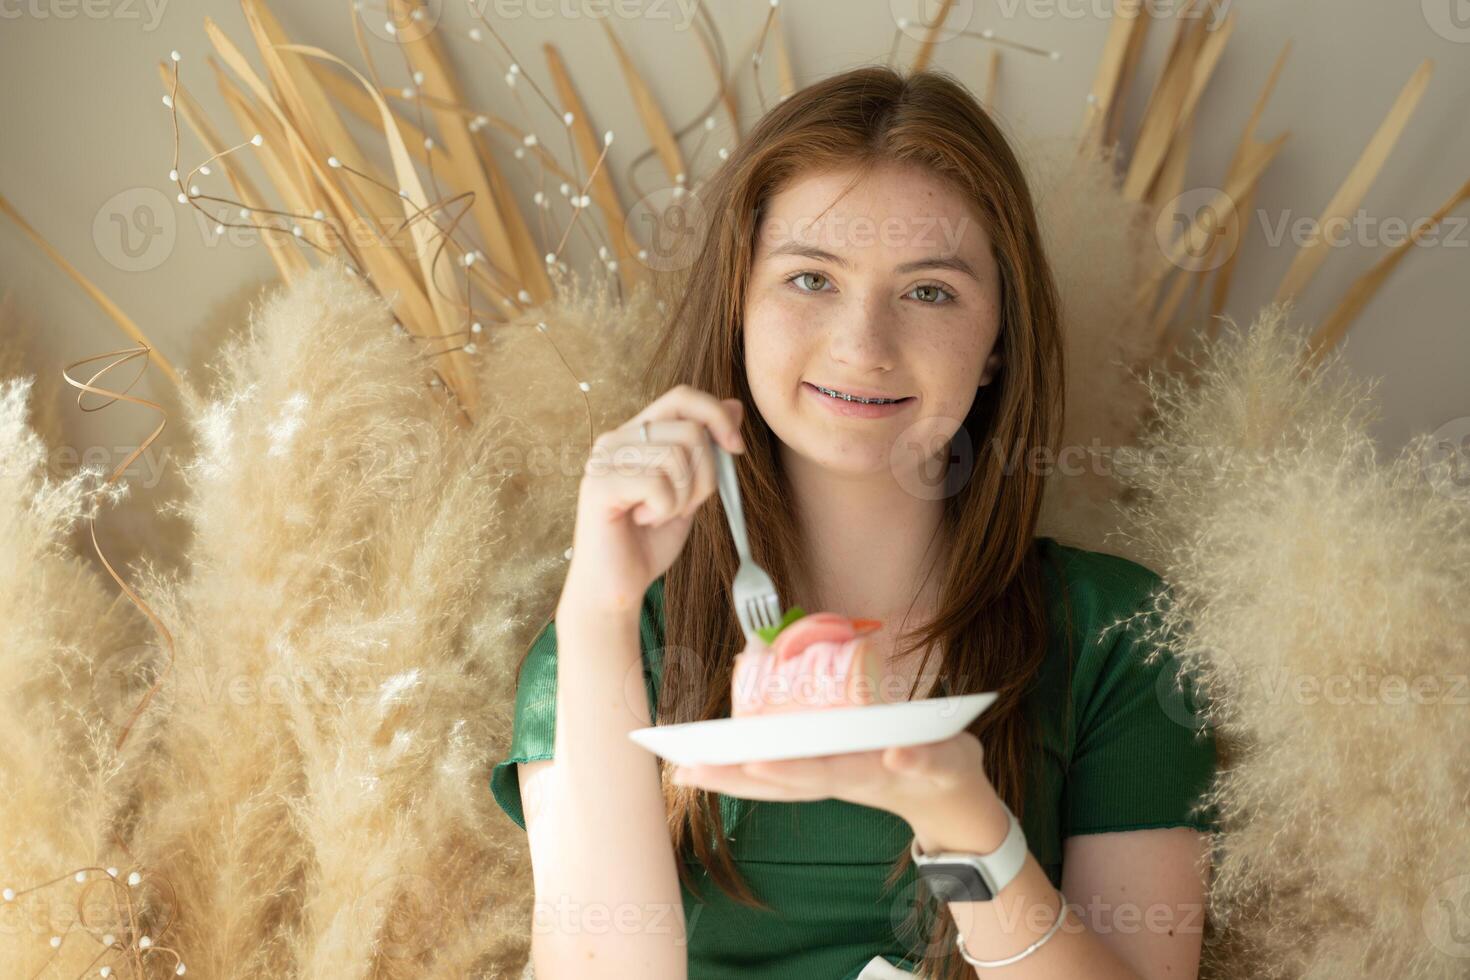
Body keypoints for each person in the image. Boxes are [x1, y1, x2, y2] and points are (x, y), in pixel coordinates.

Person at [490, 65, 1218, 980]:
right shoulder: (616, 639)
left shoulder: (1117, 636)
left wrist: (962, 821)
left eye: (929, 292)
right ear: (739, 309)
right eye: (810, 278)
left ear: (998, 346)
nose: (863, 346)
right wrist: (596, 614)